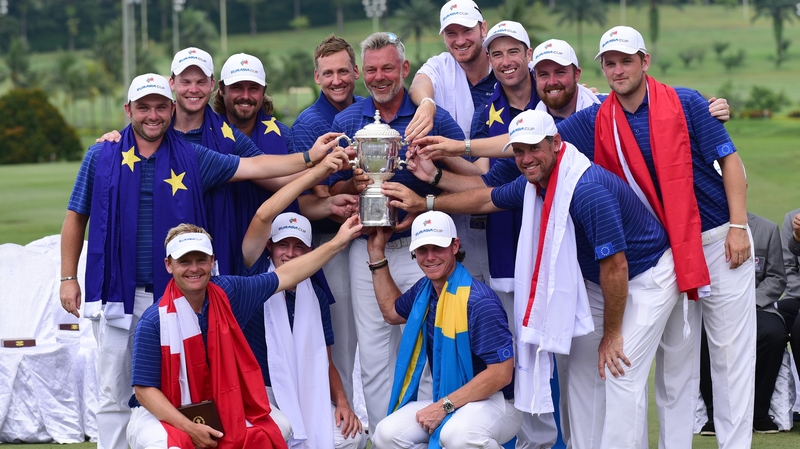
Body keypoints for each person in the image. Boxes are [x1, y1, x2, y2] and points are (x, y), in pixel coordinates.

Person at [59, 73, 343, 449]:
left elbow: (253, 168)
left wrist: (309, 158)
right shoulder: (101, 154)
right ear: (128, 110)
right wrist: (67, 277)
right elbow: (76, 216)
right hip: (118, 296)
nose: (152, 115)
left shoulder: (192, 155)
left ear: (172, 108)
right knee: (113, 392)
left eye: (161, 106)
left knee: (186, 387)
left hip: (180, 294)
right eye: (143, 107)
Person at [387, 110, 684, 448]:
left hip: (649, 274)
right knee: (582, 372)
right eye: (518, 151)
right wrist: (426, 203)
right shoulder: (536, 181)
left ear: (556, 143)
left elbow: (616, 267)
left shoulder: (586, 190)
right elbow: (486, 197)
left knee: (620, 371)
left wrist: (613, 334)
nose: (526, 159)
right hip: (601, 279)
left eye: (534, 148)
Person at [555, 26, 755, 449]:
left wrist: (738, 227)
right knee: (676, 365)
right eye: (610, 62)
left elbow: (731, 163)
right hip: (669, 252)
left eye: (626, 60)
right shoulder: (595, 118)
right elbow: (532, 142)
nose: (617, 69)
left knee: (730, 359)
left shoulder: (686, 102)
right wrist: (460, 148)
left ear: (644, 61)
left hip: (720, 241)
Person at [125, 212, 362, 449]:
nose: (194, 269)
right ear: (169, 265)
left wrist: (337, 243)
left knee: (281, 428)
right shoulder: (154, 320)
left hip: (221, 401)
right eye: (184, 261)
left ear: (212, 261)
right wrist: (190, 427)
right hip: (162, 413)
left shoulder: (230, 292)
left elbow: (287, 275)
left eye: (201, 259)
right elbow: (144, 391)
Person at [327, 31, 465, 434]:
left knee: (427, 346)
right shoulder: (348, 121)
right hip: (367, 248)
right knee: (373, 352)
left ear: (404, 69)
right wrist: (352, 187)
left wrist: (428, 191)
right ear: (361, 74)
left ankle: (427, 434)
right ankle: (389, 437)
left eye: (388, 67)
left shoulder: (430, 116)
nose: (379, 76)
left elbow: (470, 173)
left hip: (423, 252)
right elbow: (331, 189)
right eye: (371, 69)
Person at [238, 152, 363, 449]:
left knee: (352, 437)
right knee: (276, 433)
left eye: (298, 247)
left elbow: (326, 359)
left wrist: (344, 402)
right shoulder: (252, 277)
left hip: (308, 388)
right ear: (269, 247)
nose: (290, 254)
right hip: (259, 393)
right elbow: (262, 217)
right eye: (283, 246)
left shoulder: (315, 295)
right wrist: (318, 170)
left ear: (309, 251)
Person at [368, 211, 520, 447]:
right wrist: (376, 254)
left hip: (498, 402)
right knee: (386, 433)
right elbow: (391, 311)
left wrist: (444, 405)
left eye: (437, 248)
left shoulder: (478, 301)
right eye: (422, 250)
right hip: (449, 396)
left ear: (454, 246)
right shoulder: (425, 289)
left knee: (457, 436)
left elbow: (501, 373)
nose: (429, 257)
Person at [291, 35, 364, 409]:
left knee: (375, 336)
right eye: (328, 73)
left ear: (356, 72)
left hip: (371, 239)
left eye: (343, 71)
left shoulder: (370, 111)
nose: (337, 80)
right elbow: (314, 199)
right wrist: (351, 181)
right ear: (317, 77)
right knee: (341, 338)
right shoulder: (308, 123)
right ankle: (343, 420)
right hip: (328, 244)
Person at [405, 0, 495, 285]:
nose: (459, 40)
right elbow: (420, 83)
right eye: (451, 33)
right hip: (458, 211)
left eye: (466, 30)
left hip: (503, 205)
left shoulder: (506, 65)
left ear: (483, 28)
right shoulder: (441, 66)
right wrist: (427, 103)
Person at [700, 211, 787, 435]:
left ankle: (759, 413)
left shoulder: (767, 228)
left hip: (756, 307)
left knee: (774, 334)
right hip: (713, 307)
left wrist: (749, 303)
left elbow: (777, 277)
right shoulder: (701, 227)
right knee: (702, 335)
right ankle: (714, 414)